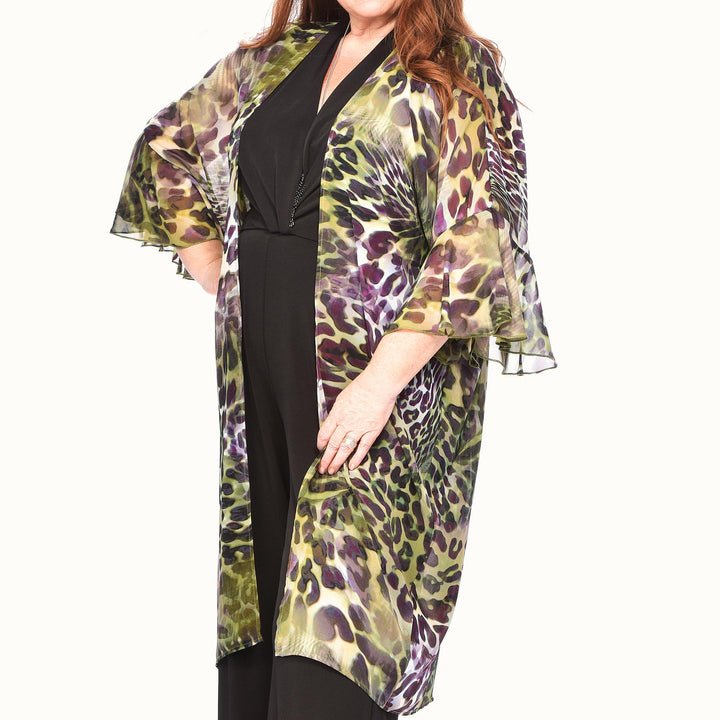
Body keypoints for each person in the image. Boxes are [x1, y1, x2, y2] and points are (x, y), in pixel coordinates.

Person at [108, 0, 558, 717]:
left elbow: (477, 241)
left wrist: (379, 384)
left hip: (379, 393)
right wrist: (218, 270)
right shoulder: (278, 58)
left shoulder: (455, 71)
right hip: (255, 384)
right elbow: (167, 145)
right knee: (262, 621)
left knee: (334, 633)